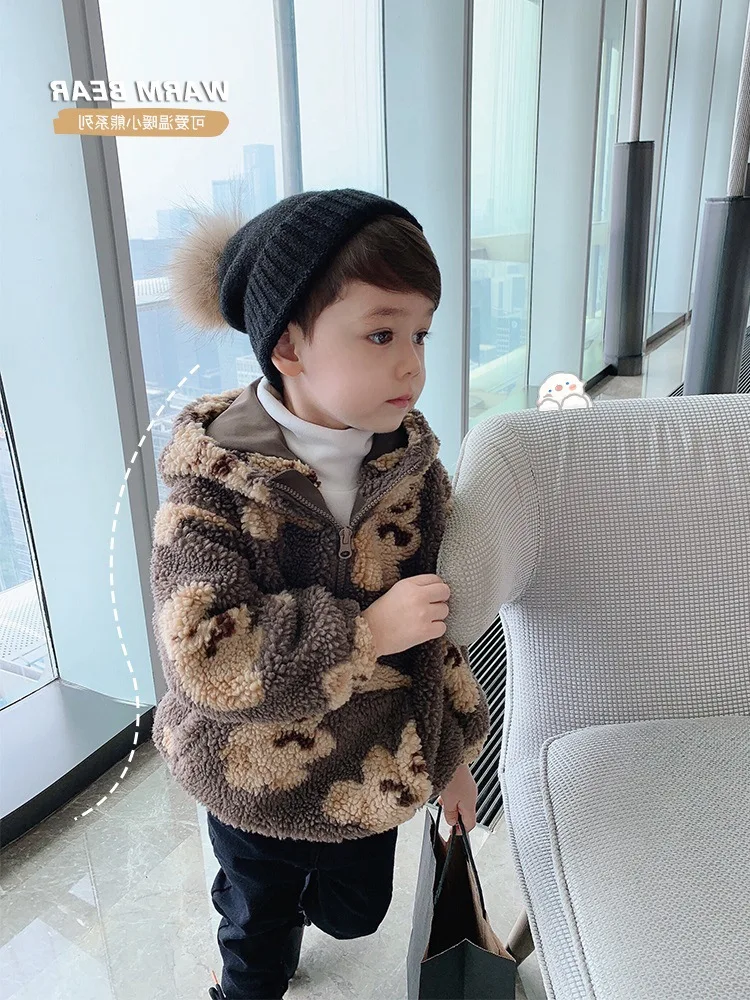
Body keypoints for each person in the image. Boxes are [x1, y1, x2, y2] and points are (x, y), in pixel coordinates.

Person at [149, 188, 490, 999]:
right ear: (289, 346)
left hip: (367, 772)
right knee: (257, 939)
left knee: (356, 916)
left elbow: (436, 627)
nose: (411, 363)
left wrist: (450, 757)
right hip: (252, 779)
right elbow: (208, 657)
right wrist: (366, 632)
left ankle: (293, 913)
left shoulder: (412, 474)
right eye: (380, 333)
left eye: (420, 334)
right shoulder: (210, 493)